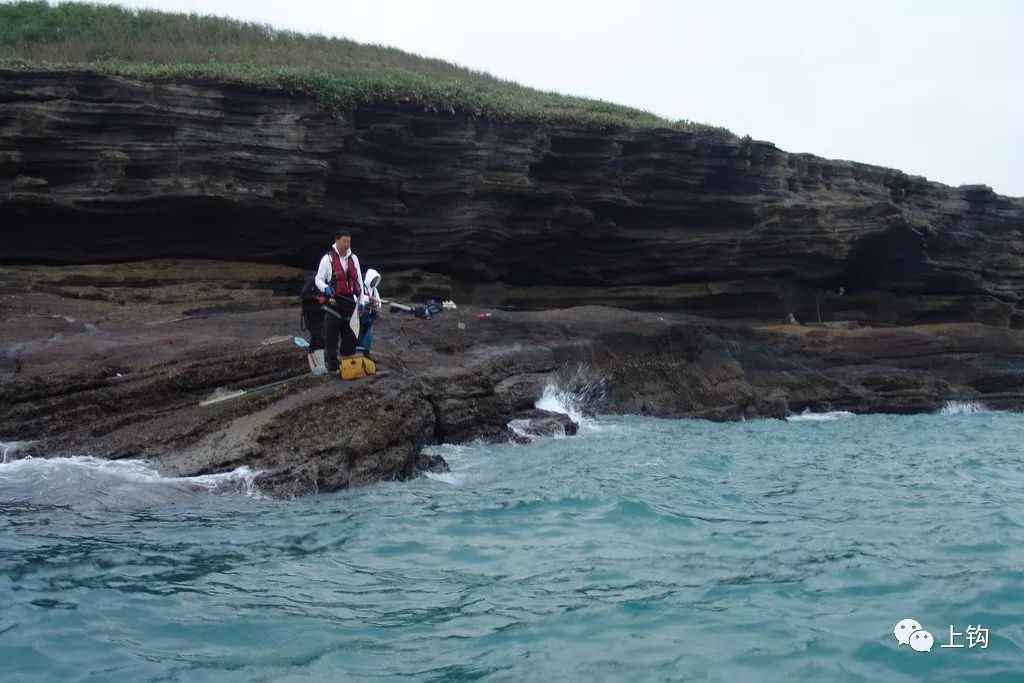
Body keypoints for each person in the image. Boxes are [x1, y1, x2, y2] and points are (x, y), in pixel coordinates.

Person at [315, 230, 363, 374]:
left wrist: (361, 302)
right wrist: (325, 288)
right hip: (333, 301)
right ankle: (333, 366)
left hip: (349, 301)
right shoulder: (327, 258)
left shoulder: (354, 258)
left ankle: (346, 360)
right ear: (336, 241)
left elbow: (359, 281)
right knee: (331, 334)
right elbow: (318, 279)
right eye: (344, 241)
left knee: (351, 333)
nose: (347, 244)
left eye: (349, 242)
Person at [358, 268, 383, 357]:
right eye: (374, 279)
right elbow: (357, 297)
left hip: (369, 318)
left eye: (376, 280)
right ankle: (359, 354)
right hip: (360, 317)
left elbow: (379, 302)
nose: (375, 281)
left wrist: (377, 304)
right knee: (359, 337)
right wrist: (369, 299)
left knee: (368, 337)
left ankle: (366, 354)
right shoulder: (362, 287)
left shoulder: (375, 290)